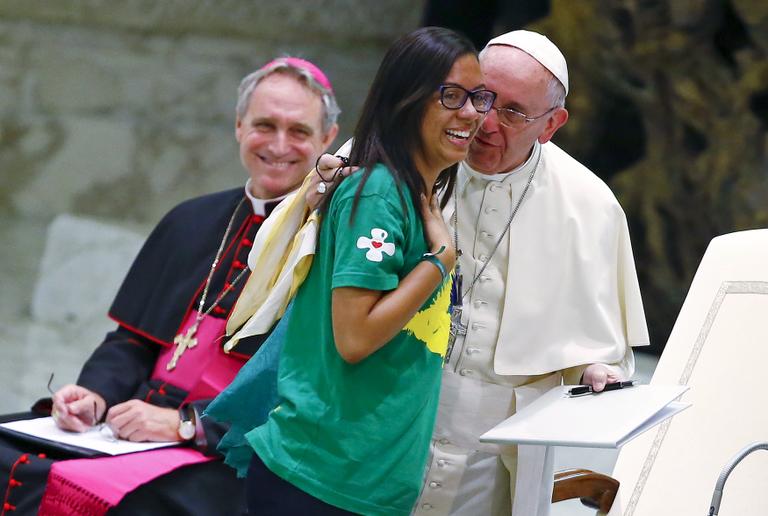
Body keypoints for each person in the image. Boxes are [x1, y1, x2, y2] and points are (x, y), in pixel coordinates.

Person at [313, 29, 649, 515]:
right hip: (382, 413)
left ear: (552, 123)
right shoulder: (393, 158)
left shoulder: (590, 205)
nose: (483, 122)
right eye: (481, 97)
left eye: (512, 111)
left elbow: (597, 346)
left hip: (496, 447)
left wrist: (595, 367)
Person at [0, 56, 339, 515]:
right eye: (264, 125)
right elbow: (132, 340)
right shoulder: (191, 220)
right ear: (239, 127)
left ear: (327, 140)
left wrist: (187, 426)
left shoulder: (333, 247)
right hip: (129, 427)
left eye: (298, 130)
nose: (280, 145)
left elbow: (309, 394)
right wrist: (96, 395)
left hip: (226, 451)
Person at [206, 27, 497, 515]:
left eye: (478, 97)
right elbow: (355, 336)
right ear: (407, 100)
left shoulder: (411, 195)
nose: (470, 114)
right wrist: (437, 264)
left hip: (359, 483)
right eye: (451, 95)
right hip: (319, 479)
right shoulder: (381, 193)